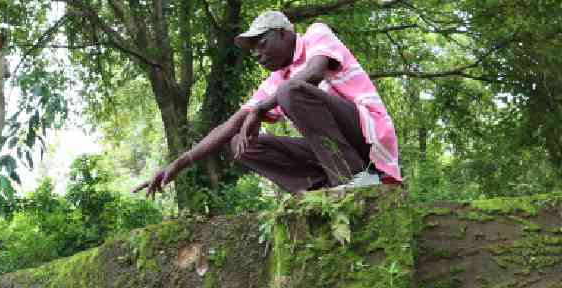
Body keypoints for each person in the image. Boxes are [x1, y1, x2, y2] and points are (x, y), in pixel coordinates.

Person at [134, 10, 401, 198]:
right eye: (253, 53)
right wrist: (178, 165)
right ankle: (320, 189)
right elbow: (229, 125)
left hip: (368, 136)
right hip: (334, 149)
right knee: (242, 142)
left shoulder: (315, 35)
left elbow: (315, 72)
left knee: (291, 91)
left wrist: (261, 109)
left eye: (262, 44)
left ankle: (355, 179)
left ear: (284, 34)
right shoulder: (275, 81)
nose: (259, 56)